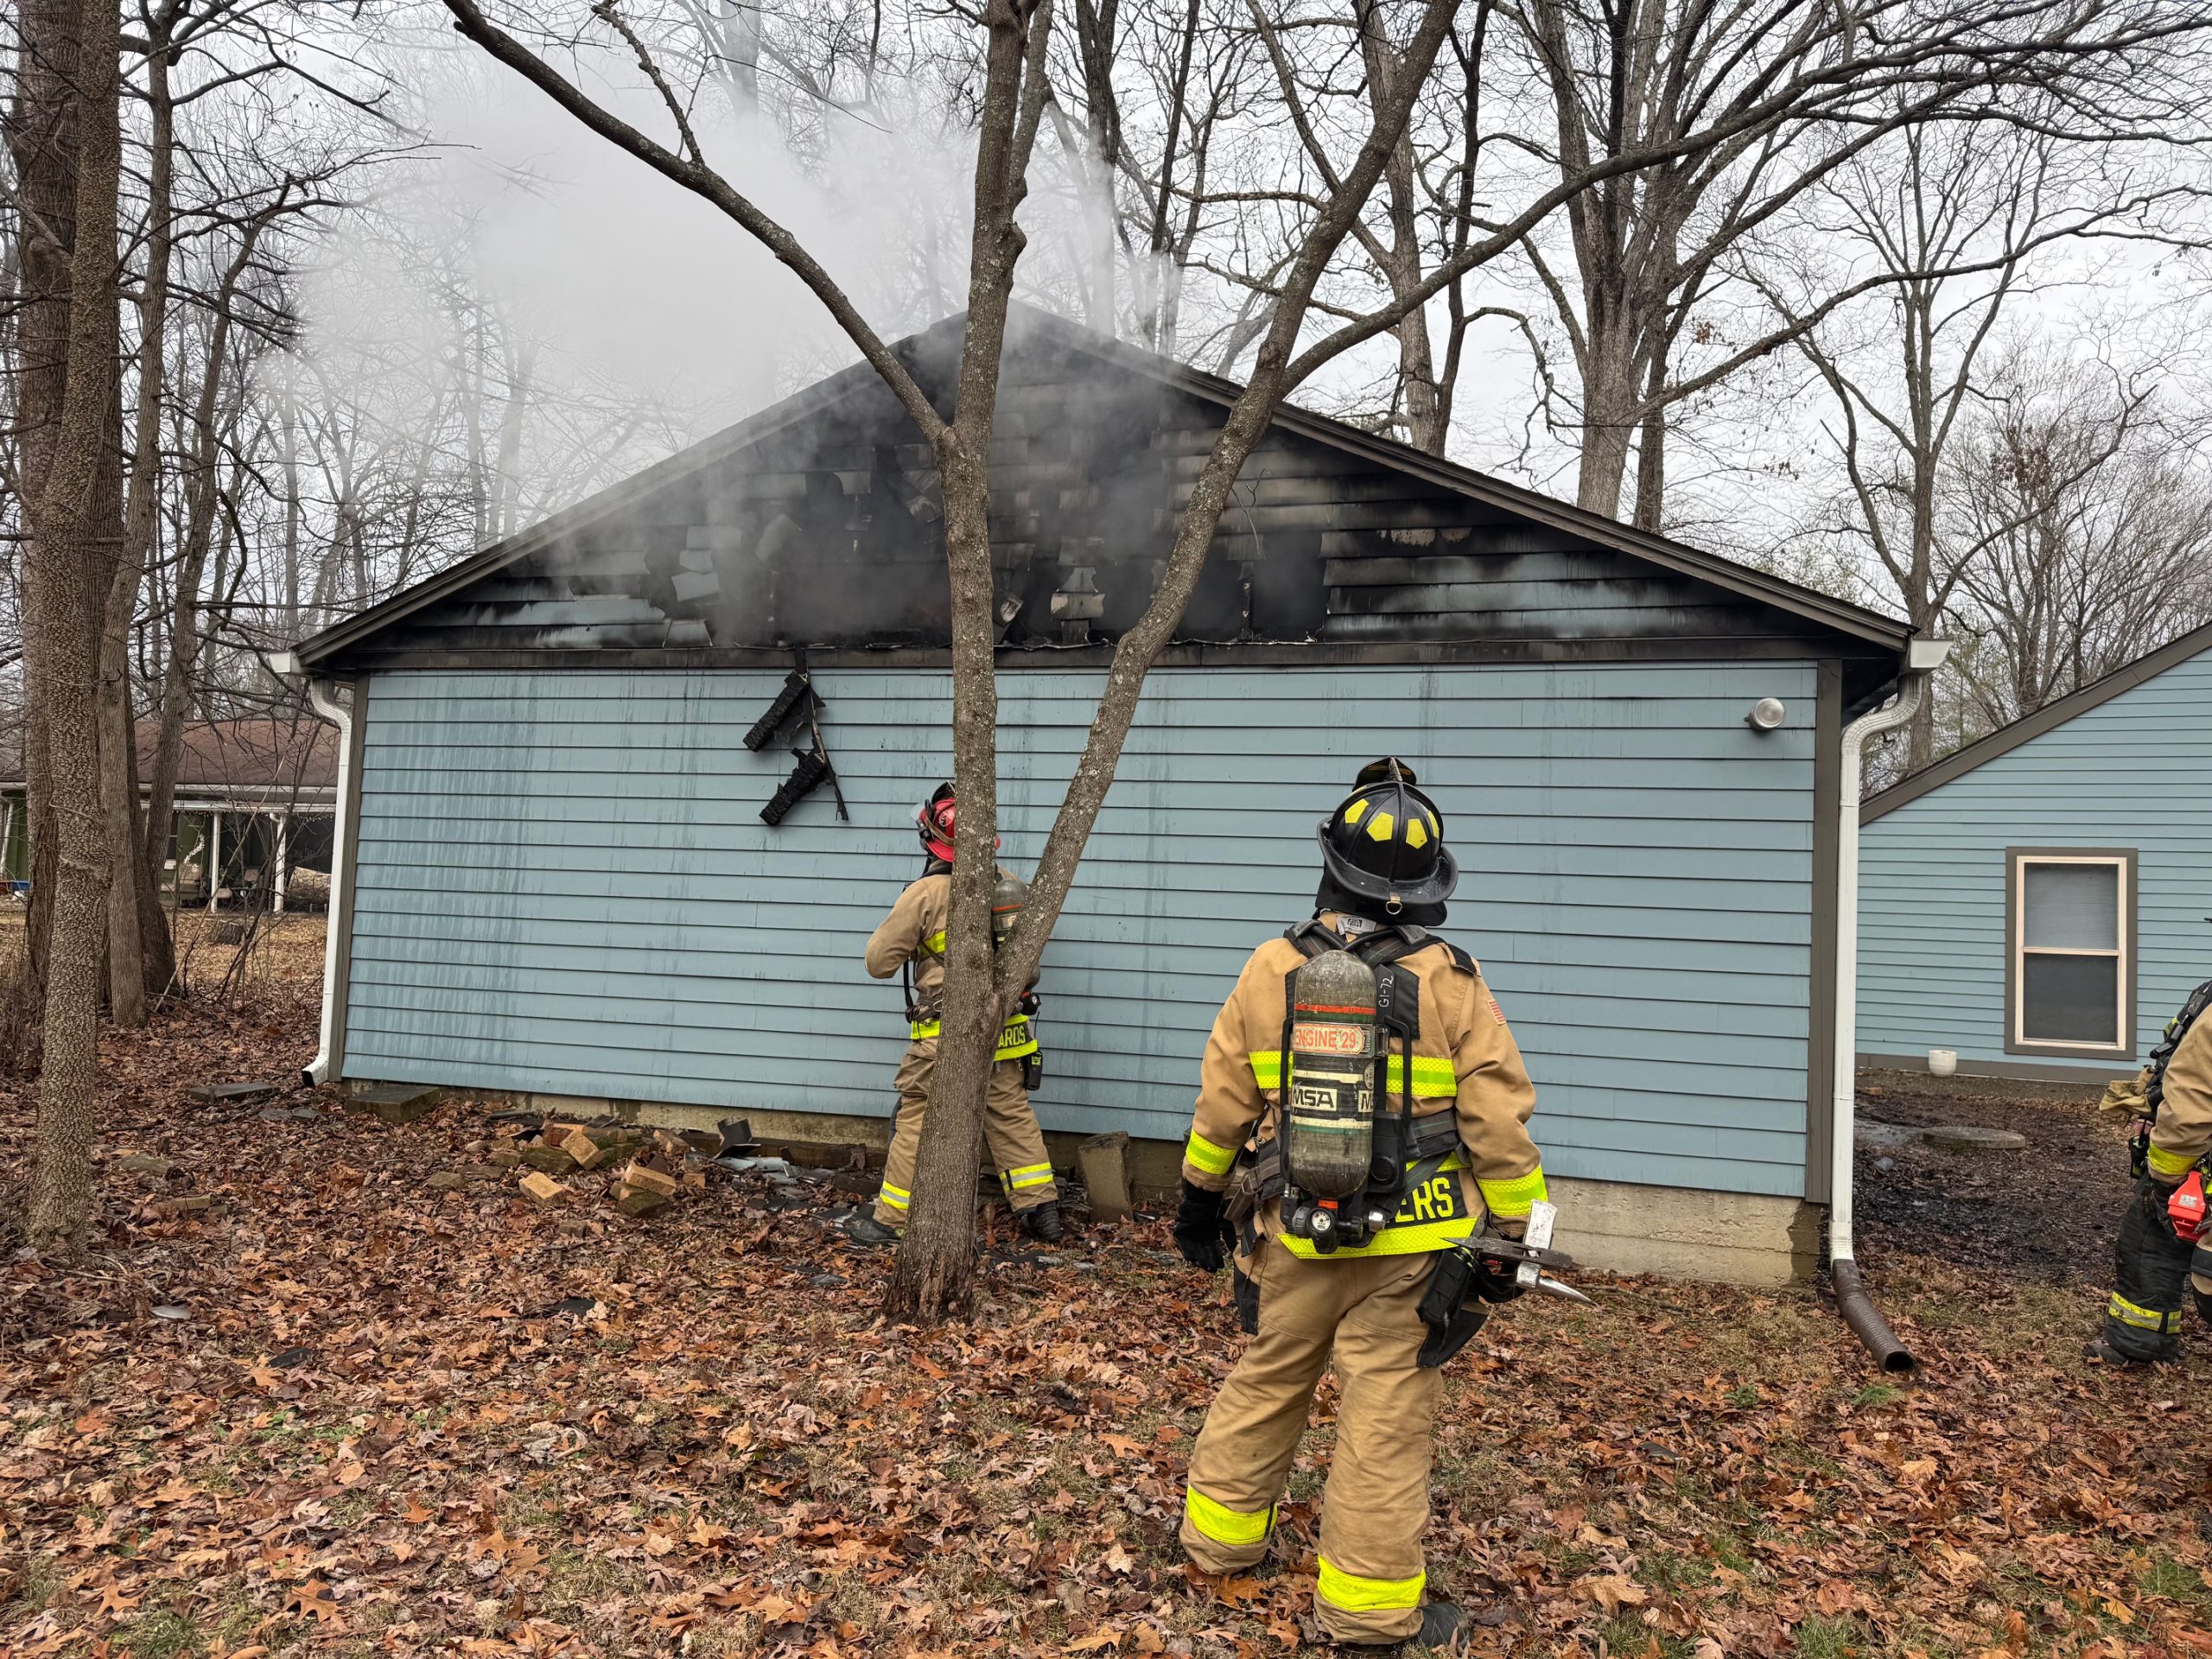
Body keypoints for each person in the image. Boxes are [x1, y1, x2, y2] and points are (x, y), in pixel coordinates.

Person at [1171, 760, 1547, 1649]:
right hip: (1414, 1252)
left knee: (1269, 1377)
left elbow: (1222, 1106)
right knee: (1384, 1417)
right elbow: (1498, 1123)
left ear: (1331, 864)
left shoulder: (1271, 968)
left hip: (1294, 1230)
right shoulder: (1453, 981)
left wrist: (1196, 1204)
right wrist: (1515, 1236)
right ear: (1426, 888)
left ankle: (1218, 1546)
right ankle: (1367, 1615)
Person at [850, 783, 1063, 1246]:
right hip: (1006, 1029)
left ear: (931, 839)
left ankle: (891, 1220)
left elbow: (878, 963)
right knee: (1009, 1114)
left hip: (942, 1036)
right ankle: (1041, 1211)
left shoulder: (924, 894)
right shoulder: (1006, 883)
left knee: (916, 1120)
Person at [2088, 969, 2212, 1364]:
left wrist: (2165, 1179)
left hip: (2196, 1162)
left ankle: (2138, 1345)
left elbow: (2192, 1100)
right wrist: (2150, 1101)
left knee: (2150, 1242)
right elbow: (2175, 1060)